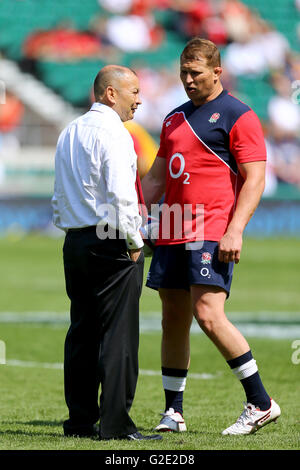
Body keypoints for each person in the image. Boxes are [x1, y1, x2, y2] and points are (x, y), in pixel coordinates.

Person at [141, 38, 281, 435]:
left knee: (208, 314)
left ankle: (260, 401)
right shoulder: (172, 119)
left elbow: (255, 178)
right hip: (170, 228)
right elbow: (156, 178)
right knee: (173, 320)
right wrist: (133, 216)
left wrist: (235, 229)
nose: (187, 80)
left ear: (217, 72)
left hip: (211, 229)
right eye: (183, 72)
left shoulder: (239, 115)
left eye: (195, 73)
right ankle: (174, 412)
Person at [51, 65, 162, 441]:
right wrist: (134, 242)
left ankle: (80, 422)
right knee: (119, 335)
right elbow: (120, 194)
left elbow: (60, 193)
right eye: (133, 90)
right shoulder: (115, 132)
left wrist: (71, 229)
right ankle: (116, 424)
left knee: (82, 331)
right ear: (110, 93)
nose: (140, 99)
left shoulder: (70, 130)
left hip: (76, 240)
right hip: (112, 241)